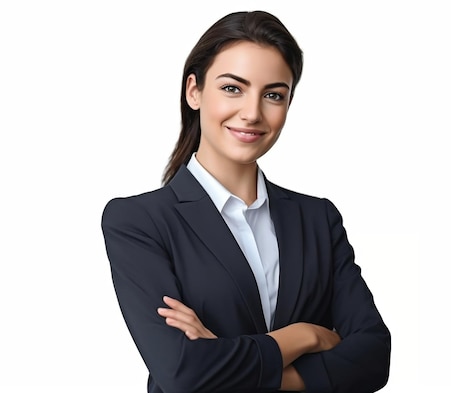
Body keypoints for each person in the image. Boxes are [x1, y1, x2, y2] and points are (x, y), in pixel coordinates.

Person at [101, 10, 391, 393]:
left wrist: (225, 361)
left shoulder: (318, 219)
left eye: (273, 94)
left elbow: (374, 357)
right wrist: (305, 336)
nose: (253, 113)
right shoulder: (139, 221)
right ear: (194, 91)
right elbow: (183, 374)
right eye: (232, 88)